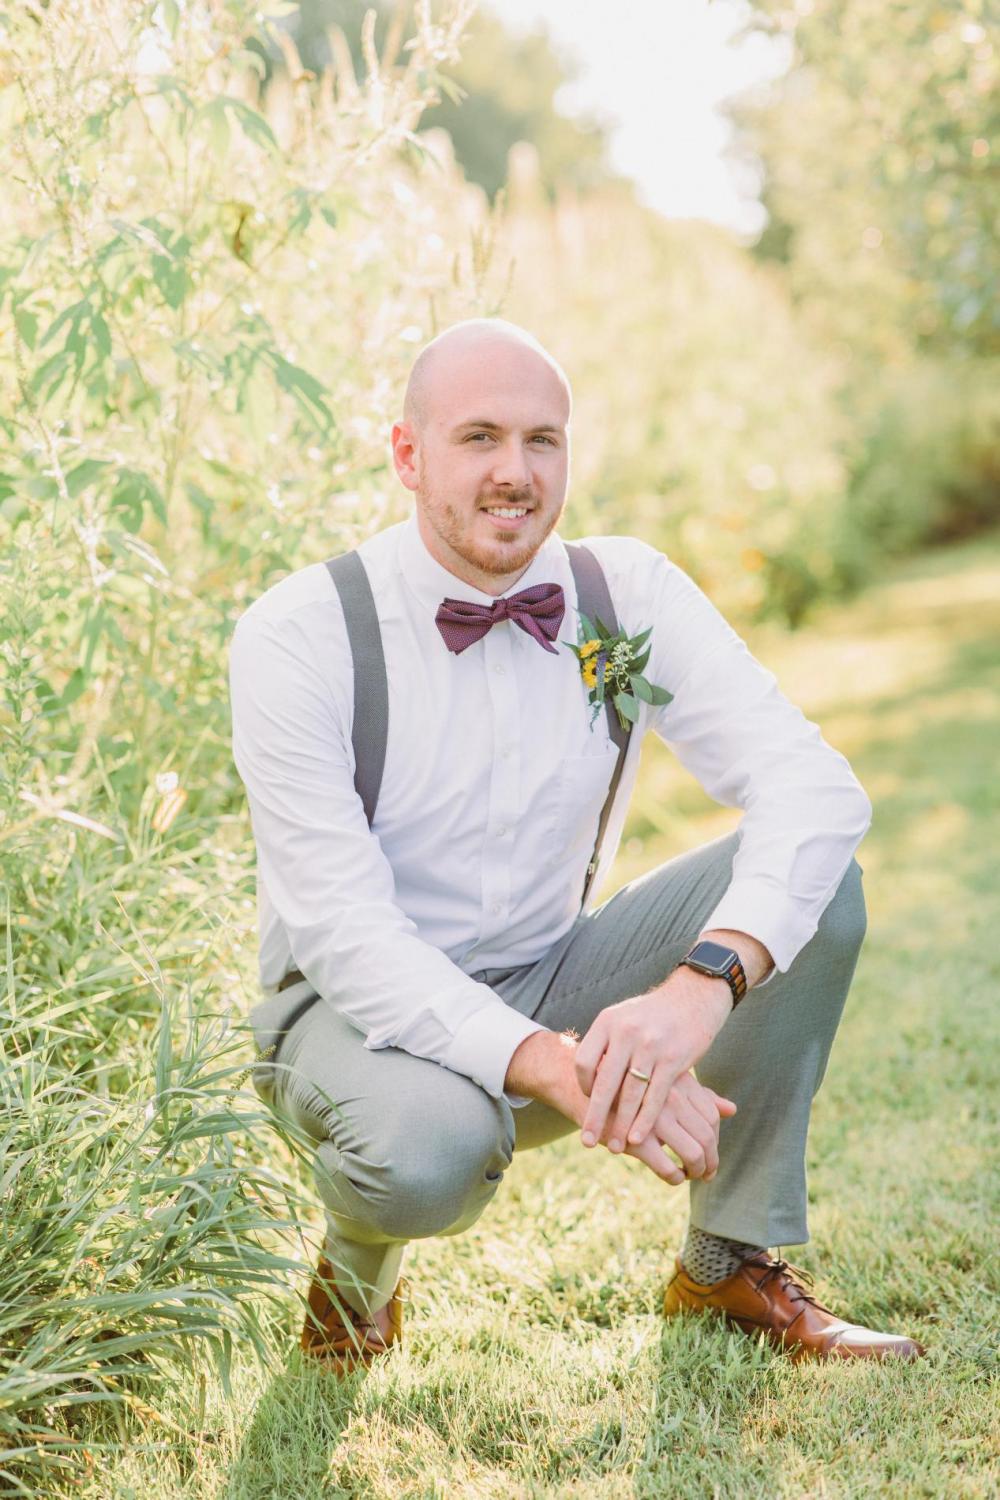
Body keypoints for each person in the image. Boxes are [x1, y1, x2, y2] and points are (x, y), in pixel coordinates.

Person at [229, 318, 924, 1372]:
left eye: (541, 440)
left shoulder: (623, 597)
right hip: (342, 1015)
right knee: (429, 1150)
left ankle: (726, 1265)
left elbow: (813, 786)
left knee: (816, 885)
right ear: (407, 455)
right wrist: (555, 1063)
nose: (514, 472)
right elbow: (343, 934)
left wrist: (699, 991)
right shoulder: (300, 634)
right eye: (478, 438)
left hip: (550, 973)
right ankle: (357, 1267)